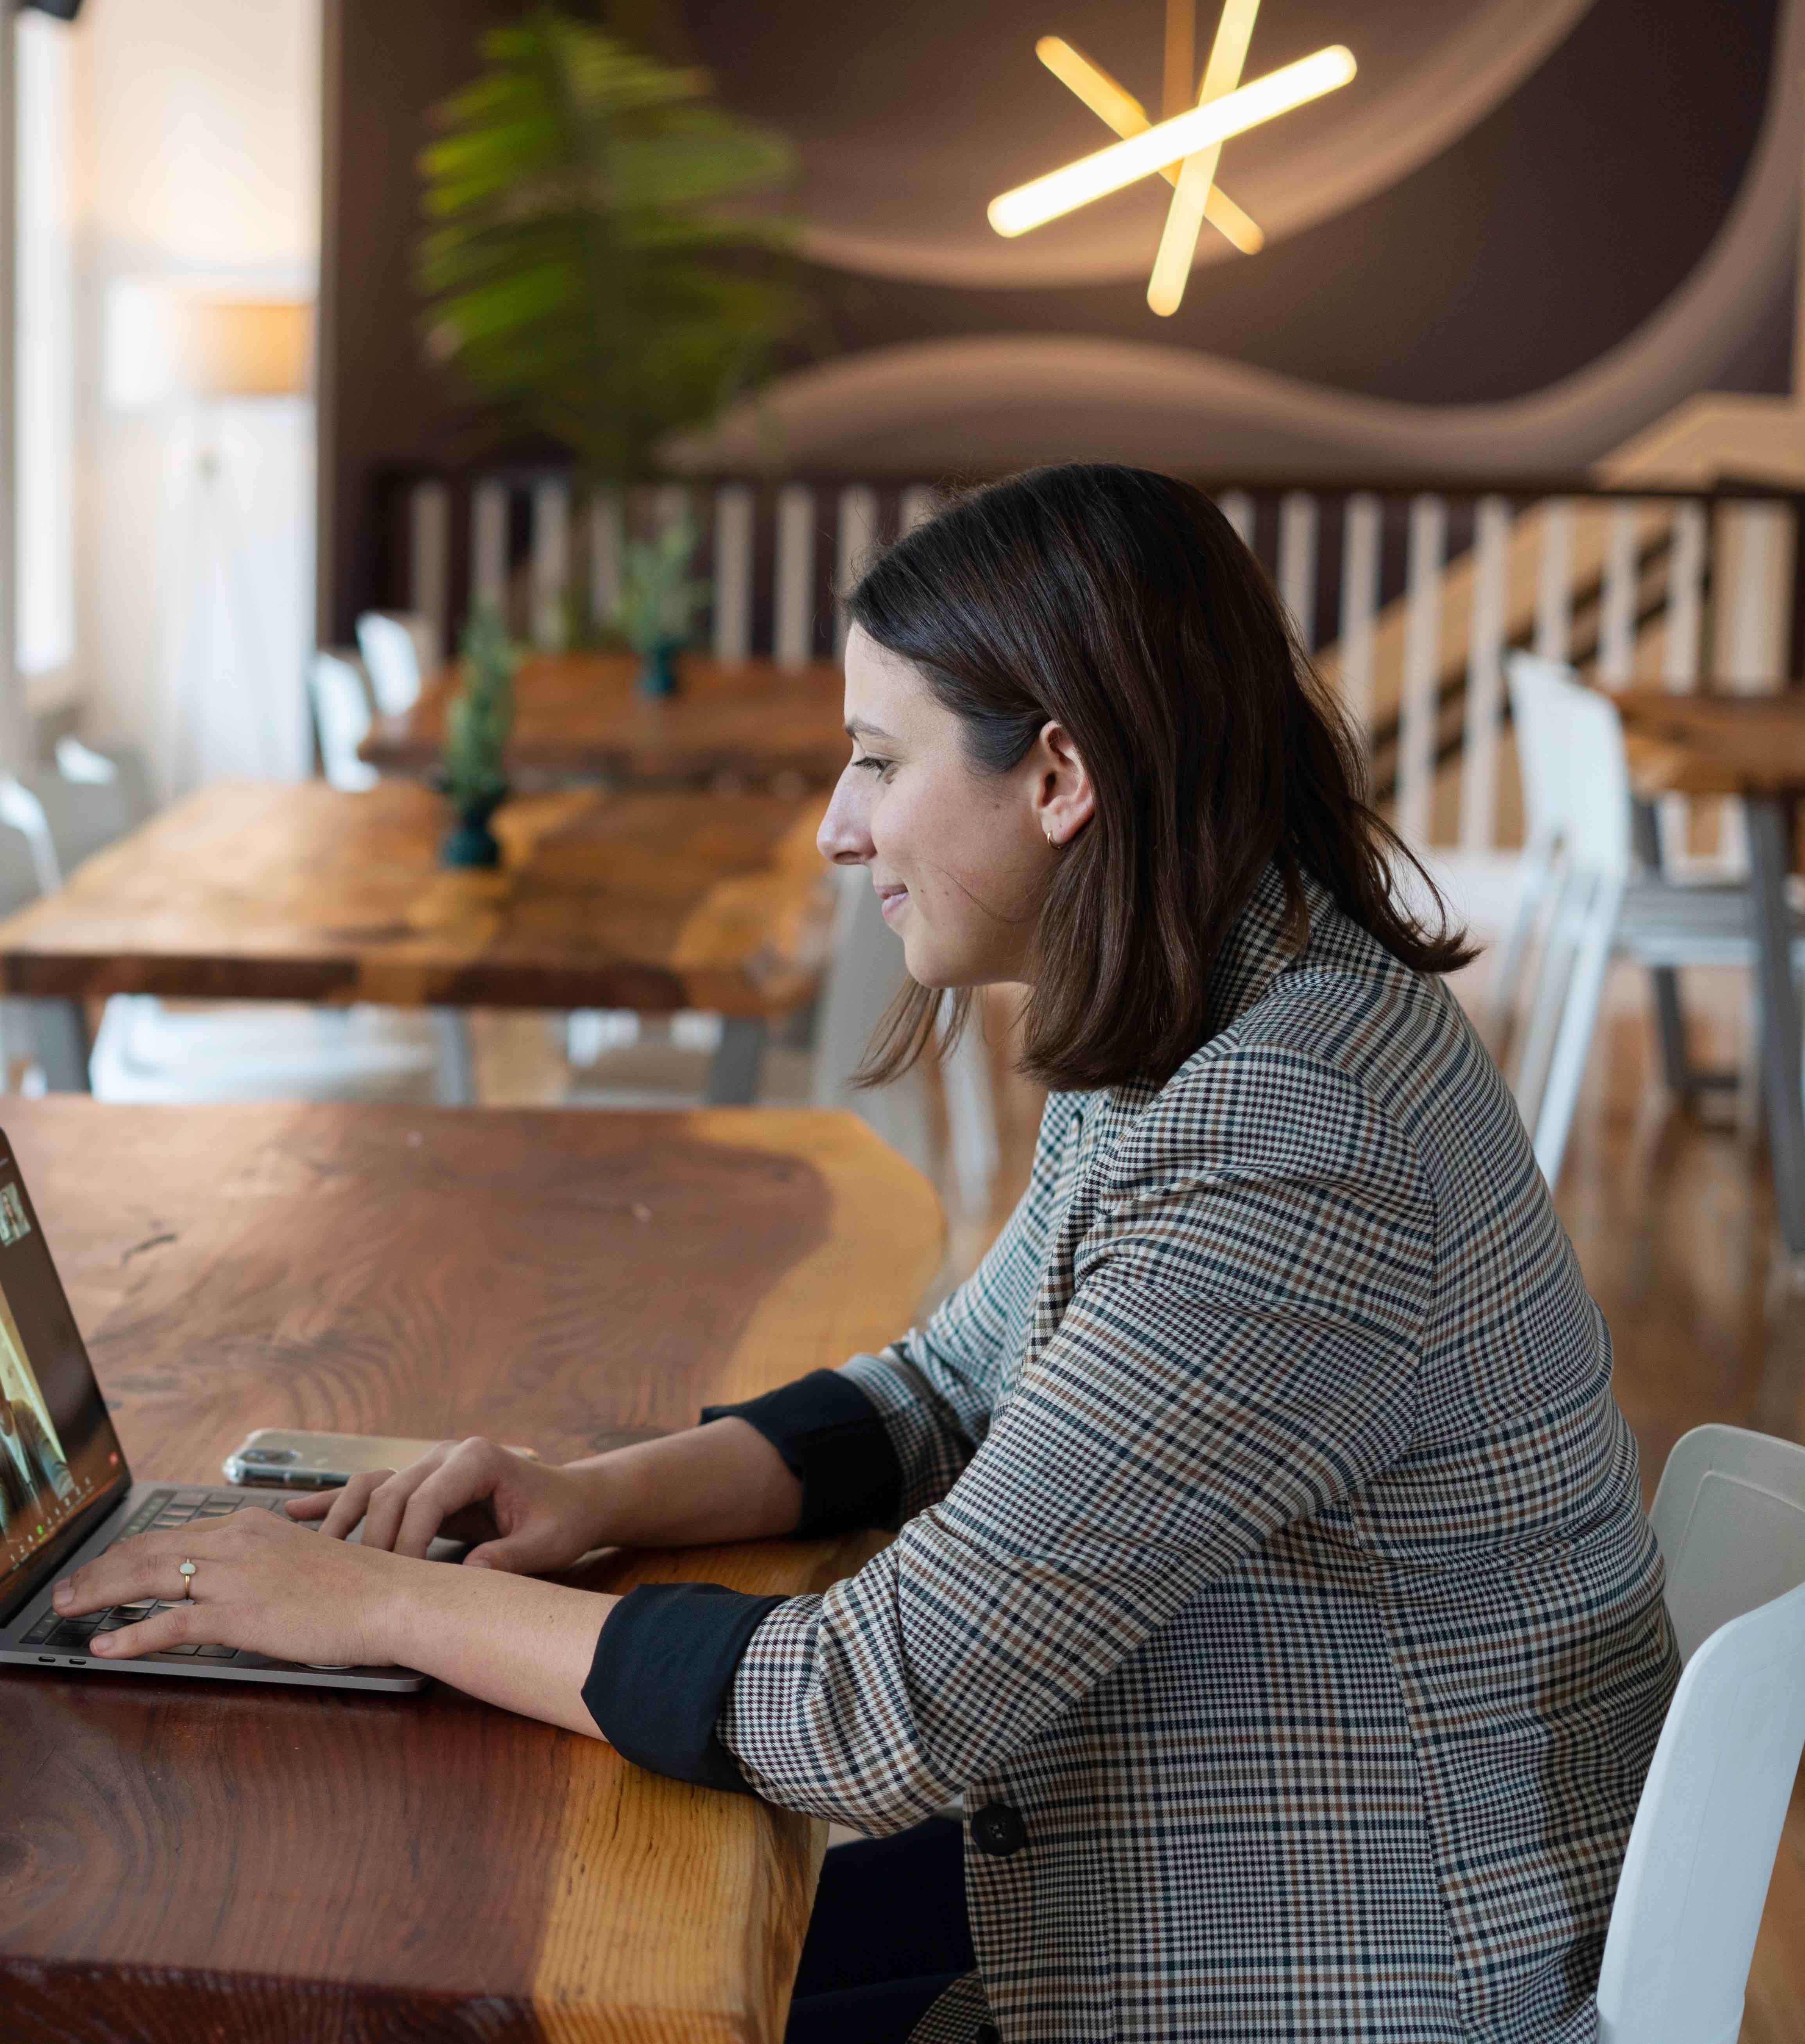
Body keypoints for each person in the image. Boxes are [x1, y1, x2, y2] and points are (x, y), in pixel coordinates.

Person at [52, 464, 1679, 2044]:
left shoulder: (1298, 1134)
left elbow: (873, 1707)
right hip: (1201, 1874)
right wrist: (598, 1492)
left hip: (1349, 1976)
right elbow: (951, 1385)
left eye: (879, 761)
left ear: (1058, 775)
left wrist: (378, 1607)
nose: (838, 828)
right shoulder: (1229, 1007)